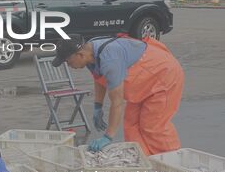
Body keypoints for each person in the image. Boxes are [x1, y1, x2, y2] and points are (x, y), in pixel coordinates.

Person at [52, 34, 184, 156]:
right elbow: (99, 76)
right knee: (131, 123)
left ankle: (171, 162)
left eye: (68, 61)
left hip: (164, 76)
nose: (69, 65)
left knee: (152, 125)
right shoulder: (90, 51)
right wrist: (98, 105)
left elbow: (117, 102)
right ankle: (144, 161)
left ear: (79, 54)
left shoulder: (110, 59)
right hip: (145, 82)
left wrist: (108, 136)